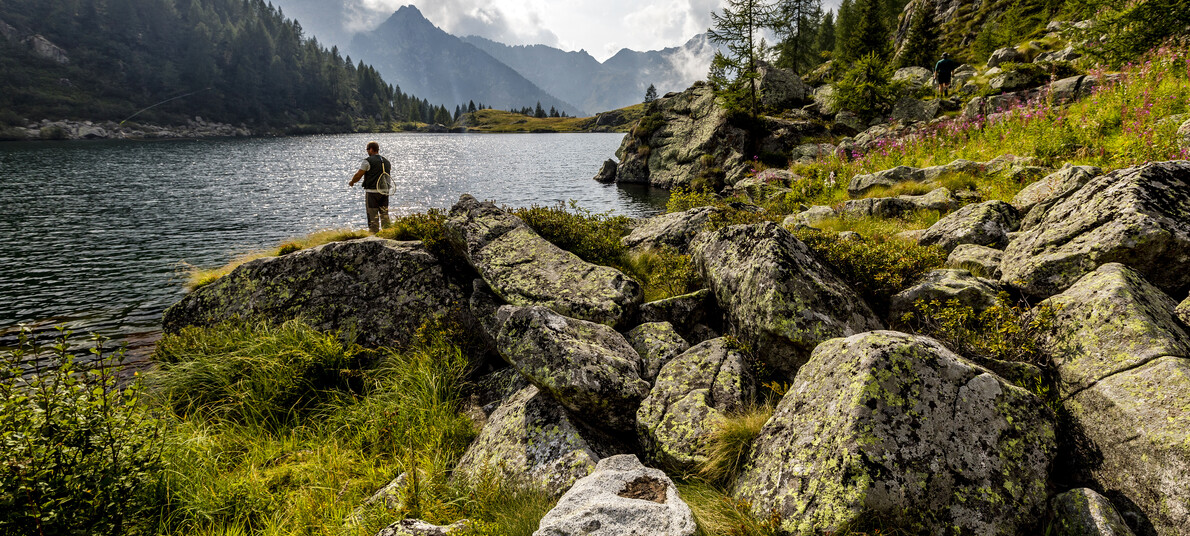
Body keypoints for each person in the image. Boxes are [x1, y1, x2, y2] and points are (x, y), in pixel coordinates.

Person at [348, 141, 392, 232]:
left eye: (367, 149)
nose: (367, 151)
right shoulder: (387, 161)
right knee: (384, 215)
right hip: (385, 192)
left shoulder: (367, 161)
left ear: (371, 149)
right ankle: (388, 233)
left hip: (372, 192)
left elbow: (358, 175)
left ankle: (374, 235)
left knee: (372, 216)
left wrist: (352, 182)